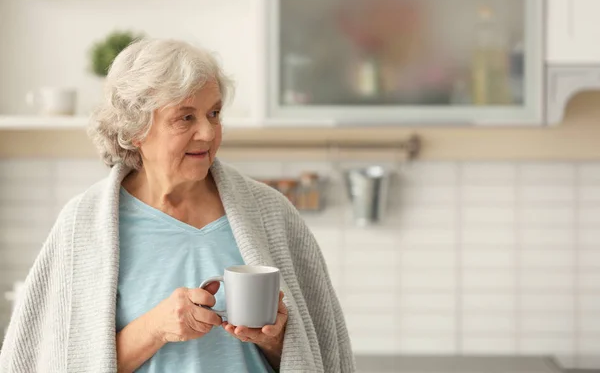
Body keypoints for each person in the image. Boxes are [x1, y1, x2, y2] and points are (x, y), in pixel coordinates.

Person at [0, 38, 355, 373]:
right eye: (186, 117)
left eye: (214, 113)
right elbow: (60, 360)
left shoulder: (271, 213)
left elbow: (318, 354)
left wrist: (276, 340)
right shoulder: (84, 225)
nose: (208, 132)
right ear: (137, 129)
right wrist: (155, 328)